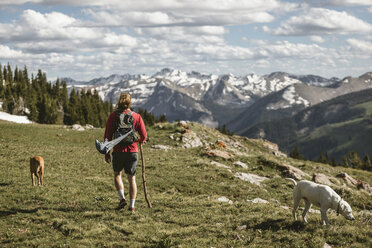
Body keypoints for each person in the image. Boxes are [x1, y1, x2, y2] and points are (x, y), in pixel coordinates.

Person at [104, 93, 147, 212]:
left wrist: (107, 152)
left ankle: (122, 198)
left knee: (117, 174)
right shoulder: (136, 116)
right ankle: (132, 206)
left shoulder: (113, 116)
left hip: (118, 151)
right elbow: (144, 135)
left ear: (119, 102)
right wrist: (140, 141)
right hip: (132, 151)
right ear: (129, 103)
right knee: (131, 178)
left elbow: (107, 135)